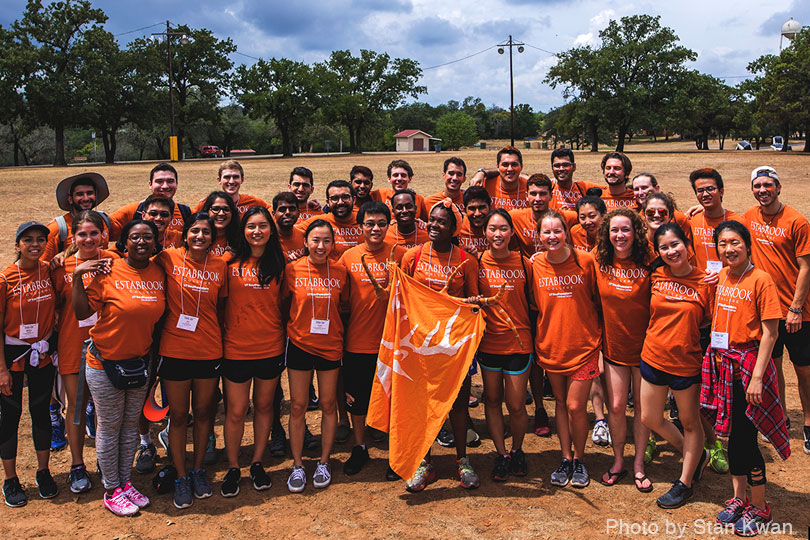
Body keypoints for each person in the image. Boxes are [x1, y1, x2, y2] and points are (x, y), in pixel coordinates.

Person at [72, 219, 165, 516]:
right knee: (109, 428)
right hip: (104, 362)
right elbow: (82, 311)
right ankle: (111, 489)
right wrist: (77, 277)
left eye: (147, 237)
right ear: (123, 243)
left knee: (129, 428)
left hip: (139, 364)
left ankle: (125, 483)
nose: (141, 242)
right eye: (135, 237)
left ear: (155, 243)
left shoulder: (158, 272)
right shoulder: (109, 270)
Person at [702, 220, 788, 536]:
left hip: (748, 369)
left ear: (747, 245)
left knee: (746, 441)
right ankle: (739, 499)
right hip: (724, 366)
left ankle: (760, 507)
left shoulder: (761, 280)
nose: (729, 249)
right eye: (723, 244)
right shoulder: (723, 275)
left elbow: (770, 333)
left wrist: (756, 377)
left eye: (735, 242)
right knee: (733, 439)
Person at [400, 200, 481, 491]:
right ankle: (424, 462)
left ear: (454, 228)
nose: (434, 226)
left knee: (457, 406)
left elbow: (474, 304)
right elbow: (404, 300)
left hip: (454, 347)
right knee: (423, 407)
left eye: (442, 222)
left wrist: (470, 304)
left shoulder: (466, 261)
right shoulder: (412, 256)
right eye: (431, 220)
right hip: (420, 347)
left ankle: (462, 460)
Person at [153, 213, 228, 509]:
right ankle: (181, 475)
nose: (200, 236)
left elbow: (222, 305)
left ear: (213, 237)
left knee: (205, 413)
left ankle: (198, 470)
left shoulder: (221, 266)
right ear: (184, 235)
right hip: (175, 349)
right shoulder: (168, 258)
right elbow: (134, 257)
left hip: (209, 349)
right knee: (179, 416)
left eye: (206, 232)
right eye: (194, 231)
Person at [640, 223, 713, 509]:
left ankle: (685, 483)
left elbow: (708, 321)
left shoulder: (706, 282)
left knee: (691, 422)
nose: (671, 251)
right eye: (664, 248)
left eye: (675, 245)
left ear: (687, 244)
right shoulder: (656, 274)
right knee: (650, 418)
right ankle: (695, 455)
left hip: (686, 363)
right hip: (653, 356)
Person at [742, 166, 810, 453]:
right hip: (766, 311)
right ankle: (780, 419)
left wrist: (795, 308)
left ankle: (808, 423)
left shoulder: (796, 221)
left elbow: (806, 266)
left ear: (778, 188)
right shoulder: (748, 217)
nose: (762, 190)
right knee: (774, 367)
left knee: (804, 370)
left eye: (768, 185)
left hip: (796, 313)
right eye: (758, 186)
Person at [531, 211, 601, 489]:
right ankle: (566, 457)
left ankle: (581, 459)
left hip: (583, 346)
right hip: (551, 346)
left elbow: (598, 299)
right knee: (560, 404)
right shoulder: (535, 265)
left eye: (557, 231)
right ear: (539, 236)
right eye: (546, 232)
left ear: (566, 232)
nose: (552, 237)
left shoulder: (586, 261)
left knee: (575, 406)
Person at [220, 206, 286, 497]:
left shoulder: (279, 264)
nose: (256, 231)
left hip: (270, 347)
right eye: (250, 226)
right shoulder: (228, 262)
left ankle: (257, 462)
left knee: (264, 407)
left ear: (270, 230)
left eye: (262, 226)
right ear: (242, 231)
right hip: (235, 349)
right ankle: (233, 466)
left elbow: (284, 305)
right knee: (235, 411)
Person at [338, 201, 406, 476]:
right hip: (358, 342)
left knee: (395, 398)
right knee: (359, 399)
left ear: (389, 225)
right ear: (360, 226)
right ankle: (360, 446)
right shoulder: (349, 257)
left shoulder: (402, 255)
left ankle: (396, 451)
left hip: (395, 343)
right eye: (370, 223)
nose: (375, 228)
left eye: (381, 223)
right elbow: (341, 302)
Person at [51, 211, 116, 494]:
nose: (88, 239)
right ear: (73, 237)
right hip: (72, 345)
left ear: (103, 234)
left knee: (104, 409)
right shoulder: (60, 265)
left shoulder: (114, 260)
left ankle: (105, 461)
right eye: (82, 234)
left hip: (109, 345)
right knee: (76, 409)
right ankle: (78, 465)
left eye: (94, 233)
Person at [283, 220, 349, 493]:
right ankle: (298, 464)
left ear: (333, 244)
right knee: (298, 406)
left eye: (326, 241)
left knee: (328, 404)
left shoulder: (341, 272)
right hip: (299, 343)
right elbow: (284, 304)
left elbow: (344, 307)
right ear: (305, 243)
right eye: (315, 240)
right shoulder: (291, 270)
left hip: (330, 345)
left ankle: (324, 461)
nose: (320, 246)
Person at [594, 209, 653, 492]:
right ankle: (619, 460)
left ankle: (639, 464)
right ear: (607, 233)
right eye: (614, 230)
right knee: (616, 406)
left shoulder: (649, 262)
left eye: (626, 229)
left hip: (645, 350)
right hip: (614, 349)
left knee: (642, 409)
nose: (620, 235)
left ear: (636, 233)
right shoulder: (599, 261)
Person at [1, 222, 58, 507]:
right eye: (28, 240)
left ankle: (43, 471)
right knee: (10, 417)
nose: (35, 244)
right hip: (12, 357)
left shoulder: (49, 269)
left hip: (43, 353)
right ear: (17, 245)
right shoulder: (5, 278)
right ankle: (10, 479)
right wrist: (1, 370)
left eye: (40, 239)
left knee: (41, 412)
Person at [477, 209, 533, 481]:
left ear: (512, 232)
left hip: (519, 345)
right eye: (492, 229)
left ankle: (518, 449)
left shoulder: (525, 264)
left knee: (517, 405)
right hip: (488, 345)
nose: (497, 234)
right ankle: (501, 453)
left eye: (503, 229)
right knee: (492, 400)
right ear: (484, 232)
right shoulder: (477, 263)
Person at [109, 163, 191, 238]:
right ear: (150, 184)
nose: (165, 186)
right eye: (159, 181)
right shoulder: (134, 211)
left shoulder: (185, 212)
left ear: (177, 184)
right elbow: (103, 225)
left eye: (170, 181)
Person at [43, 172, 111, 261]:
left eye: (90, 193)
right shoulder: (57, 228)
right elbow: (42, 264)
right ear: (70, 199)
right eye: (80, 194)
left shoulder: (104, 220)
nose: (86, 198)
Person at [510, 174, 577, 259]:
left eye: (543, 194)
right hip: (529, 267)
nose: (537, 199)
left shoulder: (564, 216)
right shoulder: (516, 217)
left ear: (551, 196)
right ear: (526, 196)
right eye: (533, 194)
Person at [687, 168, 741, 274]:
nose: (705, 194)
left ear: (721, 191)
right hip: (701, 284)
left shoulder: (738, 222)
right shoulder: (692, 220)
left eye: (710, 189)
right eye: (700, 191)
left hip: (729, 285)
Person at [296, 180, 363, 259]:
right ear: (328, 202)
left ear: (354, 200)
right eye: (335, 198)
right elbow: (287, 234)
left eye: (345, 197)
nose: (340, 202)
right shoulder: (319, 222)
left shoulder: (365, 221)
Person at [192, 160, 269, 218]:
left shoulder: (253, 202)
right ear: (219, 180)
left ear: (242, 180)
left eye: (235, 177)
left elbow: (272, 212)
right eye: (227, 177)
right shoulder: (206, 203)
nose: (231, 181)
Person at [632, 172, 694, 244]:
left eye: (644, 188)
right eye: (636, 189)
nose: (640, 192)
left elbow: (688, 247)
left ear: (657, 188)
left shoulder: (678, 217)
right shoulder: (637, 217)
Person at [470, 146, 528, 211]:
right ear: (497, 167)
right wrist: (481, 172)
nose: (510, 169)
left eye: (514, 164)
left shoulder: (530, 188)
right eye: (505, 164)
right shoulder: (484, 185)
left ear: (521, 167)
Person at [202, 191, 240, 257]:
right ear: (207, 211)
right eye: (216, 209)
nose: (221, 213)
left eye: (226, 209)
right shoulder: (197, 237)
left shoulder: (240, 239)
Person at [273, 192, 306, 262]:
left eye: (292, 209)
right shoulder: (267, 239)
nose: (287, 212)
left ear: (298, 213)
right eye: (282, 209)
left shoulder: (304, 236)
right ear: (274, 214)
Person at [458, 186, 491, 255]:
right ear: (464, 210)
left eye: (482, 207)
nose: (477, 214)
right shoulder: (457, 227)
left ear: (490, 207)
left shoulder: (498, 228)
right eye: (472, 208)